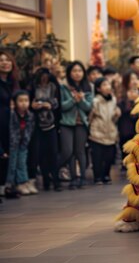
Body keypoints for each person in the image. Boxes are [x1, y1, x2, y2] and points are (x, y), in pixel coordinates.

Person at [59, 61, 93, 189]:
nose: (77, 73)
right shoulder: (63, 87)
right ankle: (73, 177)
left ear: (83, 73)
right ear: (69, 73)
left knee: (80, 151)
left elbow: (88, 106)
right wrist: (73, 100)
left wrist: (81, 100)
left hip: (81, 123)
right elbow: (62, 107)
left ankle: (82, 177)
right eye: (74, 71)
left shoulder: (89, 87)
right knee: (69, 151)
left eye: (79, 70)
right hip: (66, 122)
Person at [28, 68, 62, 192]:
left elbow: (58, 103)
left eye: (46, 76)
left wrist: (51, 105)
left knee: (53, 152)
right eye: (41, 76)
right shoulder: (33, 87)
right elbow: (28, 102)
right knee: (40, 153)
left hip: (51, 122)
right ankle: (46, 179)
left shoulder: (53, 86)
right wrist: (33, 106)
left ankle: (56, 179)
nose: (44, 79)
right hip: (37, 124)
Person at [89, 77, 120, 185]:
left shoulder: (113, 100)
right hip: (97, 132)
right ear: (98, 89)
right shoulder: (95, 101)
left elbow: (114, 118)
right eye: (104, 85)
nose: (108, 87)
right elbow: (91, 117)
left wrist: (117, 115)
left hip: (110, 132)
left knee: (109, 156)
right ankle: (97, 177)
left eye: (108, 84)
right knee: (97, 157)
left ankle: (106, 175)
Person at [6, 90, 35, 196]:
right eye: (21, 101)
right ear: (14, 102)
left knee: (22, 163)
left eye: (26, 101)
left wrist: (25, 141)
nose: (24, 103)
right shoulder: (12, 115)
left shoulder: (30, 115)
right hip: (13, 144)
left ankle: (23, 182)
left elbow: (30, 130)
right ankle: (10, 184)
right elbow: (11, 130)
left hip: (24, 143)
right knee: (12, 163)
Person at [0, 51, 19, 199]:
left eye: (7, 60)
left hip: (12, 125)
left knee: (9, 156)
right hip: (1, 123)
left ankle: (6, 187)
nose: (5, 63)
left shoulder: (14, 83)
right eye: (1, 60)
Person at [118, 71, 139, 173]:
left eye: (135, 78)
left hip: (138, 124)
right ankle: (126, 164)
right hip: (126, 125)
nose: (134, 81)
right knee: (126, 143)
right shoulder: (122, 93)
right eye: (132, 79)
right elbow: (122, 109)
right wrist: (132, 101)